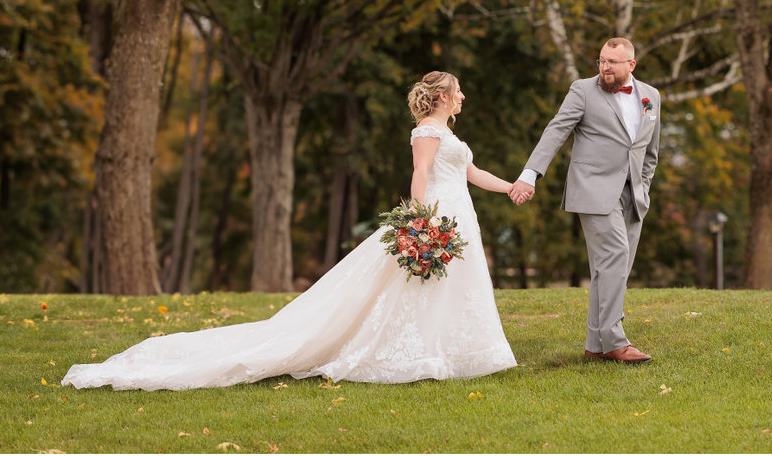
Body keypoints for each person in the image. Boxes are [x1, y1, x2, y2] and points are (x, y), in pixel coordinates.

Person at [62, 72, 518, 390]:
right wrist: (420, 219)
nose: (462, 98)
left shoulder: (451, 136)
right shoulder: (426, 132)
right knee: (415, 283)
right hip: (436, 214)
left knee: (448, 286)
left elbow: (472, 174)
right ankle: (416, 355)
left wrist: (512, 187)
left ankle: (447, 351)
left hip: (460, 214)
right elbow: (420, 175)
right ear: (442, 97)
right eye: (458, 93)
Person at [510, 37, 661, 364]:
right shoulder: (582, 90)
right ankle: (616, 341)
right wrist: (530, 173)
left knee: (611, 268)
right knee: (615, 256)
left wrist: (644, 184)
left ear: (630, 66)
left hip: (633, 193)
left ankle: (596, 344)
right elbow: (556, 131)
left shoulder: (651, 97)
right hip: (593, 189)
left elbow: (650, 151)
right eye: (602, 60)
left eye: (613, 62)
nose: (605, 67)